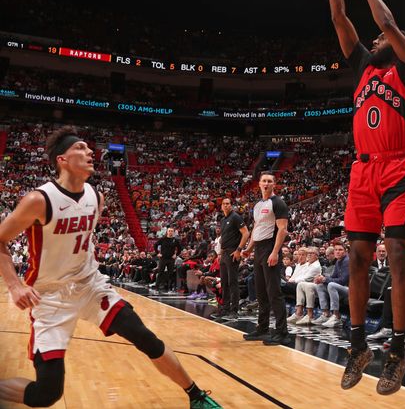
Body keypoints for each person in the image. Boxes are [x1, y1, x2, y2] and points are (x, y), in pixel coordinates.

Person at [0, 127, 220, 408]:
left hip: (90, 286)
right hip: (51, 297)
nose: (90, 151)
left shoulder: (96, 196)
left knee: (144, 336)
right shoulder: (38, 201)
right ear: (61, 159)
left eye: (89, 148)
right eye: (80, 147)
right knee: (47, 394)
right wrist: (15, 285)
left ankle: (196, 396)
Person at [323, 0, 405, 395]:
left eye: (384, 36)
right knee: (359, 258)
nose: (375, 38)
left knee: (399, 256)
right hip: (361, 173)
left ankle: (398, 350)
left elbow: (384, 20)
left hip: (396, 168)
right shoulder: (364, 67)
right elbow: (339, 18)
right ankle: (358, 344)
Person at [241, 172, 289, 344]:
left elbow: (282, 230)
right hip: (259, 249)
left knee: (274, 292)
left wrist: (275, 252)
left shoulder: (278, 203)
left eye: (270, 181)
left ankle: (282, 332)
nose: (267, 183)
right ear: (259, 184)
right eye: (264, 181)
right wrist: (248, 249)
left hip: (271, 247)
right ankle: (262, 328)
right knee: (261, 292)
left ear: (274, 184)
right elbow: (257, 228)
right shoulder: (258, 205)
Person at [212, 198, 249, 322]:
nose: (226, 205)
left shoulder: (235, 217)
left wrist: (239, 250)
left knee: (232, 282)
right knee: (224, 282)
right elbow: (224, 238)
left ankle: (234, 310)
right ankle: (225, 309)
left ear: (231, 205)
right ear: (221, 206)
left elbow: (246, 233)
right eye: (224, 204)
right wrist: (220, 253)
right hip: (224, 253)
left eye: (228, 204)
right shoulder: (223, 220)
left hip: (233, 251)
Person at [153, 227, 180, 293]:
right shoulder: (163, 239)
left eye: (172, 231)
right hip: (163, 258)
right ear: (167, 232)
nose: (170, 232)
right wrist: (157, 253)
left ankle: (169, 288)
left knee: (170, 274)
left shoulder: (175, 240)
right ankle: (156, 288)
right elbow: (155, 245)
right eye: (169, 231)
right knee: (160, 273)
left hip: (171, 259)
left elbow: (180, 248)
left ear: (173, 232)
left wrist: (176, 255)